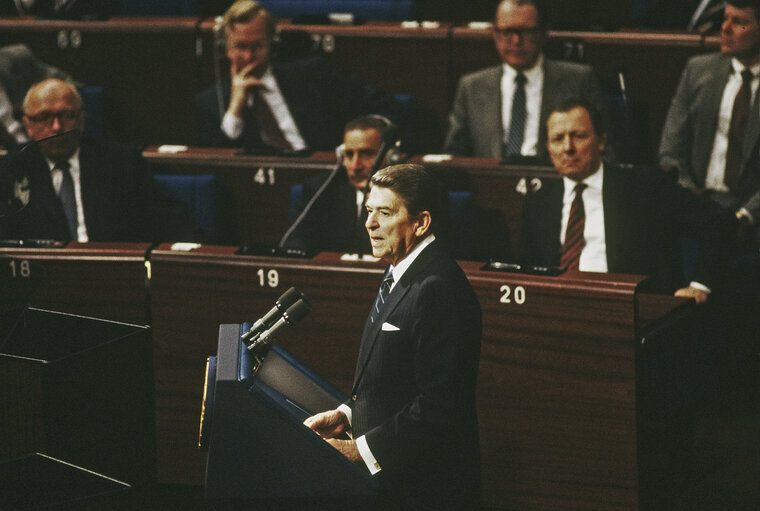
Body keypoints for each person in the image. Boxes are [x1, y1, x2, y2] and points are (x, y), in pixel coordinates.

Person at [303, 164, 482, 510]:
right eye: (369, 211)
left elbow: (439, 407)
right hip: (396, 480)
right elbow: (393, 378)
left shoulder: (438, 287)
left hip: (426, 489)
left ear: (421, 222)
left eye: (384, 213)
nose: (369, 223)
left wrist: (360, 450)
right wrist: (349, 415)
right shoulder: (401, 268)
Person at [519, 97, 734, 302]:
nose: (568, 147)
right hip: (559, 312)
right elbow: (526, 273)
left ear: (601, 141)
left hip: (631, 312)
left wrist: (699, 286)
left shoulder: (646, 187)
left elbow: (721, 222)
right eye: (558, 139)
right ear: (548, 149)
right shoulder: (538, 203)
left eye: (578, 136)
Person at [0, 78, 201, 243]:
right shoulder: (9, 172)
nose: (56, 127)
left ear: (81, 120)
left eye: (67, 115)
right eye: (44, 118)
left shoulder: (121, 163)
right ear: (28, 125)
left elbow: (174, 224)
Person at [194, 0, 400, 153]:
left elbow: (379, 105)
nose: (248, 56)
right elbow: (217, 163)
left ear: (272, 44)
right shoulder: (210, 102)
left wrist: (361, 142)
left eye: (257, 46)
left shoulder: (312, 75)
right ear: (225, 49)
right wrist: (235, 110)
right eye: (240, 47)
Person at [443, 0, 605, 162]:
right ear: (494, 33)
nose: (516, 41)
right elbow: (455, 156)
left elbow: (604, 151)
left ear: (544, 33)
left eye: (526, 32)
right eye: (507, 32)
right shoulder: (472, 87)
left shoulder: (579, 79)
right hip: (491, 183)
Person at [659, 0, 760, 248]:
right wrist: (691, 200)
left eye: (740, 22)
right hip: (697, 204)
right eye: (726, 18)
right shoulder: (698, 70)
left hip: (750, 215)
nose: (725, 28)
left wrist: (745, 216)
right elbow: (670, 152)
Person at [280, 114, 397, 254]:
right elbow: (295, 244)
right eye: (349, 155)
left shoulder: (406, 194)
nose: (355, 166)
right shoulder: (320, 190)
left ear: (390, 156)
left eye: (367, 154)